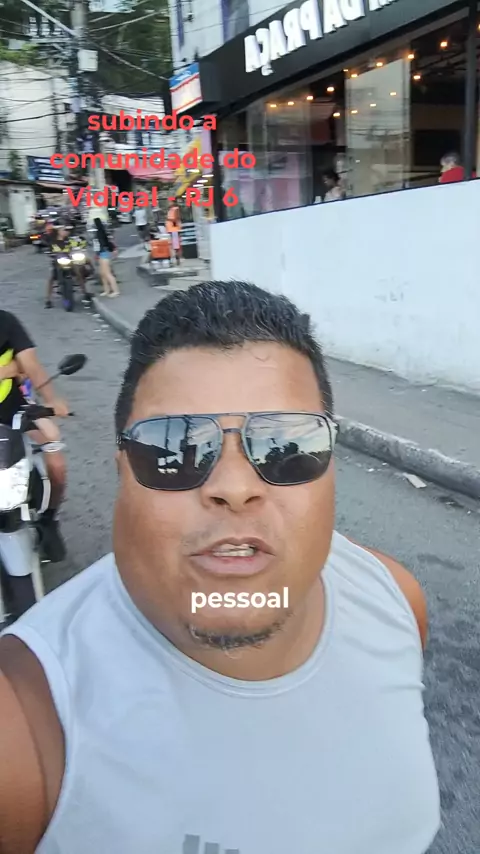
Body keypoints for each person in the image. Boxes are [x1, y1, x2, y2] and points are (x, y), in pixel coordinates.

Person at [0, 281, 440, 854]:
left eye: (287, 444)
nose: (234, 487)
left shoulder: (397, 602)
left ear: (332, 467)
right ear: (122, 473)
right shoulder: (25, 724)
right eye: (172, 448)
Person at [0, 310, 69, 562]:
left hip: (13, 410)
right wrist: (8, 369)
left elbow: (31, 365)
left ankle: (49, 518)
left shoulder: (6, 322)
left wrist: (51, 400)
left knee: (54, 450)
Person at [93, 217, 120, 298]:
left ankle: (116, 291)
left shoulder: (100, 233)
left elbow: (106, 243)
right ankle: (107, 290)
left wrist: (112, 249)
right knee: (103, 274)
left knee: (107, 274)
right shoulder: (100, 232)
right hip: (102, 254)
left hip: (104, 254)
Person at [166, 198, 182, 264]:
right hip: (171, 229)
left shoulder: (175, 209)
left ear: (173, 202)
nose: (169, 203)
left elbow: (176, 218)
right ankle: (176, 258)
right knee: (174, 244)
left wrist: (169, 220)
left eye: (170, 202)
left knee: (176, 245)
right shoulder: (170, 209)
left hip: (174, 229)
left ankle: (177, 258)